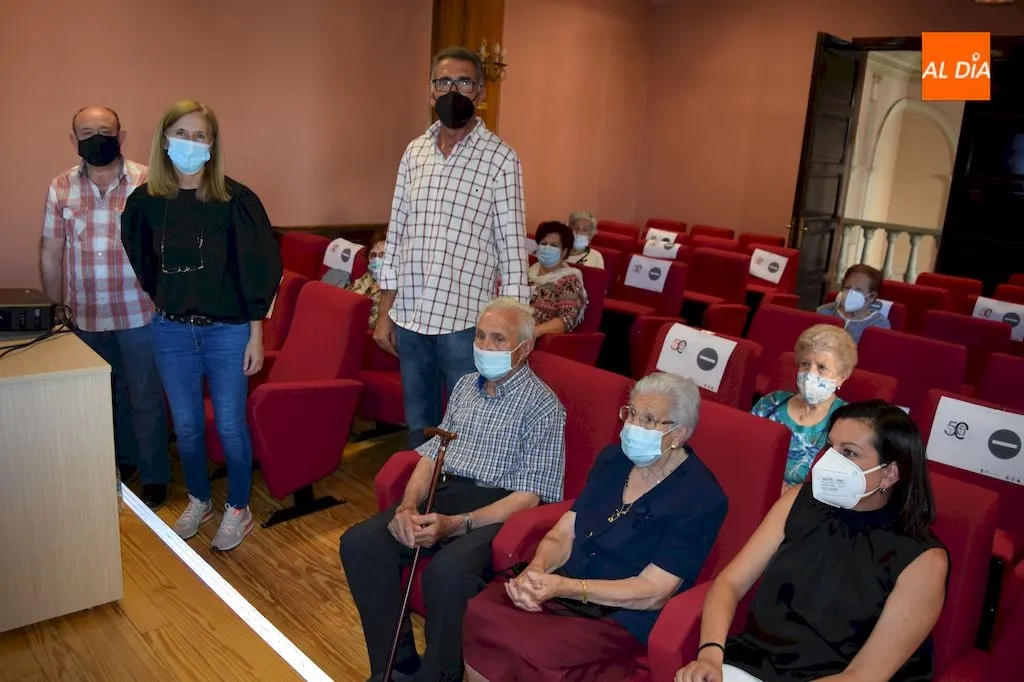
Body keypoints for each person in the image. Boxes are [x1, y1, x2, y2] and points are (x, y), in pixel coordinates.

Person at [340, 297, 566, 682]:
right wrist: (407, 507)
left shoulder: (543, 405)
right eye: (480, 336)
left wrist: (457, 524)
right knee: (361, 544)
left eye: (498, 339)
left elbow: (531, 494)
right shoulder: (465, 386)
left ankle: (438, 676)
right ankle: (395, 667)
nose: (484, 346)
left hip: (499, 509)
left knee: (447, 574)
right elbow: (431, 454)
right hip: (447, 491)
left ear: (524, 348)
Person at [463, 373, 728, 682]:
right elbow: (564, 532)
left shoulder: (702, 498)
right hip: (563, 586)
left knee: (533, 647)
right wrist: (536, 571)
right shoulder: (613, 460)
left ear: (679, 434)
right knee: (481, 611)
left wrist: (567, 589)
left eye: (649, 419)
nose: (632, 426)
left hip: (617, 612)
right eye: (631, 413)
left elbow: (654, 592)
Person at [675, 401, 948, 682]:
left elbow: (865, 675)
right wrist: (710, 654)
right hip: (758, 664)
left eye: (849, 453)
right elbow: (729, 584)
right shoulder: (800, 500)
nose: (831, 460)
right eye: (830, 447)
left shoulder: (922, 559)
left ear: (890, 473)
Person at [121, 99, 282, 551]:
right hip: (171, 330)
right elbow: (143, 261)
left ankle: (238, 507)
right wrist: (169, 300)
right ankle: (199, 498)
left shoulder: (236, 201)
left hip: (228, 331)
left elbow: (260, 270)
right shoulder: (145, 203)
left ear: (212, 145)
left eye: (200, 136)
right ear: (163, 140)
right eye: (181, 134)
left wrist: (256, 334)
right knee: (188, 426)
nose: (190, 143)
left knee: (230, 424)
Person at [373, 45, 530, 449]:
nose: (452, 90)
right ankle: (418, 503)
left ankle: (460, 508)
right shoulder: (415, 153)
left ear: (479, 92)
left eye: (463, 81)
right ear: (430, 91)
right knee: (418, 427)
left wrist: (512, 330)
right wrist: (385, 312)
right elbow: (398, 234)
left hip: (466, 323)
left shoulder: (501, 159)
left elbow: (512, 248)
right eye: (444, 81)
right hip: (411, 317)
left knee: (469, 427)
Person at [40, 106, 170, 509]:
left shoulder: (149, 181)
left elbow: (168, 248)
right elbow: (51, 249)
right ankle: (119, 464)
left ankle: (154, 477)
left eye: (104, 130)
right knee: (101, 396)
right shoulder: (60, 186)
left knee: (145, 396)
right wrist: (54, 307)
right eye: (86, 131)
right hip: (85, 315)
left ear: (121, 135)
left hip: (139, 313)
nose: (96, 137)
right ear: (73, 139)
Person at [751, 324, 857, 494]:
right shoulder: (771, 403)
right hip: (753, 490)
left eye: (821, 367)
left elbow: (839, 488)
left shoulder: (847, 421)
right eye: (805, 364)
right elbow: (744, 450)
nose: (810, 374)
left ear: (841, 377)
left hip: (804, 508)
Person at [530, 221, 588, 337]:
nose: (547, 248)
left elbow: (566, 319)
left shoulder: (569, 279)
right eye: (544, 243)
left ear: (564, 252)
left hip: (534, 335)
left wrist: (533, 332)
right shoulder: (528, 271)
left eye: (554, 246)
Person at [816, 264, 891, 343]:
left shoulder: (879, 324)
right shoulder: (824, 312)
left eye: (858, 290)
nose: (850, 293)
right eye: (847, 287)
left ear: (872, 296)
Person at [346, 231, 386, 330]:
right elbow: (345, 296)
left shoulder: (396, 287)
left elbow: (377, 323)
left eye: (382, 255)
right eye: (373, 255)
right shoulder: (368, 276)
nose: (376, 260)